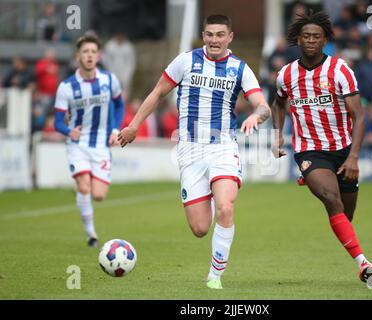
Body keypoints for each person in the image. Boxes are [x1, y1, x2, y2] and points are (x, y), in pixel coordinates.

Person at [118, 14, 271, 289]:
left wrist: (256, 116)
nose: (214, 40)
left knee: (226, 208)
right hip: (189, 151)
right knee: (200, 228)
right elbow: (156, 93)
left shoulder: (239, 68)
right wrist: (133, 126)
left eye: (220, 34)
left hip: (223, 147)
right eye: (210, 34)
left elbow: (263, 105)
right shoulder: (185, 61)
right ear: (203, 35)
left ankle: (215, 277)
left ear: (230, 37)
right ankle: (212, 192)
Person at [271, 10, 372, 288]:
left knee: (345, 213)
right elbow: (278, 104)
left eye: (316, 37)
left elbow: (359, 116)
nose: (310, 41)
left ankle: (316, 179)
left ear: (325, 40)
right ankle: (363, 265)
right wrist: (277, 135)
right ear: (298, 39)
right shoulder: (286, 74)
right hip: (309, 151)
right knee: (331, 198)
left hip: (343, 151)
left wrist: (354, 156)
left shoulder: (340, 70)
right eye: (306, 36)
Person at [53, 35, 125, 247]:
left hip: (102, 145)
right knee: (84, 188)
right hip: (78, 145)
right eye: (85, 52)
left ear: (99, 55)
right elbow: (58, 121)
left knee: (99, 195)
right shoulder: (66, 87)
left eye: (93, 52)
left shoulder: (109, 80)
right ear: (78, 56)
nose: (90, 55)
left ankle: (85, 188)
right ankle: (91, 235)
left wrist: (115, 130)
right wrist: (68, 131)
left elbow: (120, 105)